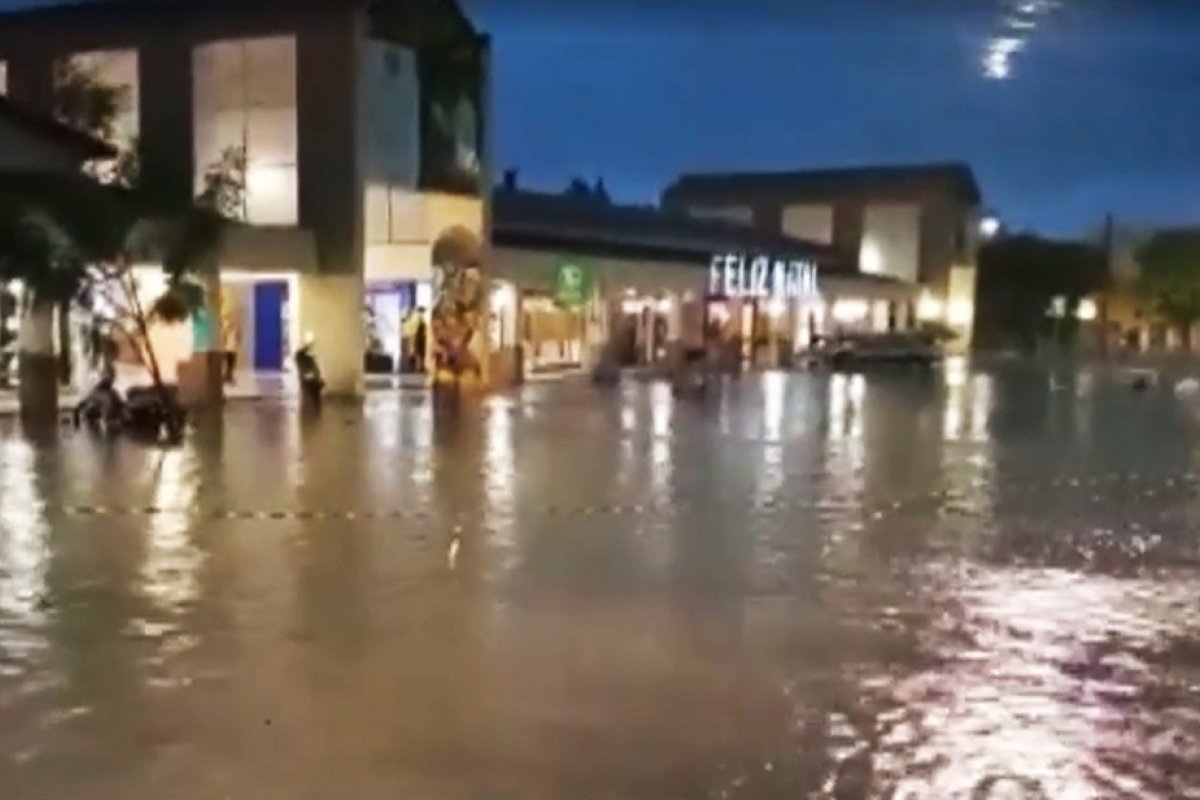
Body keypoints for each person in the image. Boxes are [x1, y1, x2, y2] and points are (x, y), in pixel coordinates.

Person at [221, 314, 239, 385]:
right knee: (229, 364)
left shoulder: (231, 327)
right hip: (230, 349)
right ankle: (228, 377)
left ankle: (228, 377)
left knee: (230, 364)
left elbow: (238, 336)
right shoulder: (229, 327)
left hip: (230, 348)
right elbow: (224, 338)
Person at [412, 308, 428, 374]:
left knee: (422, 353)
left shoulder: (423, 320)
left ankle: (422, 366)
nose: (421, 314)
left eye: (422, 312)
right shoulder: (416, 320)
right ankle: (418, 367)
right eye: (421, 312)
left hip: (422, 338)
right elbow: (414, 330)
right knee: (418, 353)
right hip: (417, 338)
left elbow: (425, 330)